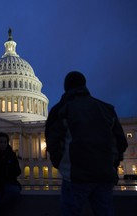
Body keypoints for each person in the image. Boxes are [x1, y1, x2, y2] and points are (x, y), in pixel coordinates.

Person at [45, 71, 128, 216]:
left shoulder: (61, 109)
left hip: (76, 176)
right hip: (104, 175)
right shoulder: (106, 109)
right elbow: (121, 142)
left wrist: (62, 165)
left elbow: (52, 142)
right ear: (84, 85)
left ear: (66, 88)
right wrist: (112, 165)